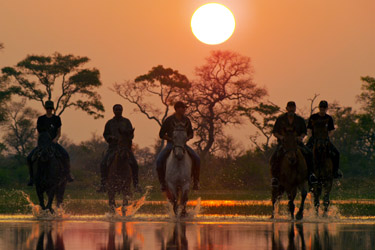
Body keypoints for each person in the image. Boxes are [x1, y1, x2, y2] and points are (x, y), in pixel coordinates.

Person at [156, 101, 201, 191]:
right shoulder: (169, 120)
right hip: (171, 144)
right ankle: (162, 183)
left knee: (197, 158)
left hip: (183, 144)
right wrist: (171, 139)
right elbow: (161, 134)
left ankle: (196, 181)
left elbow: (191, 133)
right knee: (159, 160)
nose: (184, 109)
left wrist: (187, 138)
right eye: (182, 108)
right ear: (177, 109)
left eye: (184, 108)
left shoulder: (186, 120)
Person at [270, 101, 316, 187]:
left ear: (295, 109)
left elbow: (304, 132)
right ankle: (275, 178)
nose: (291, 109)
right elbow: (275, 132)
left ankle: (311, 175)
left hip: (297, 143)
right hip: (284, 144)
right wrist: (281, 137)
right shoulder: (280, 119)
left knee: (309, 154)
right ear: (286, 108)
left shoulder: (300, 120)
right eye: (289, 107)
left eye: (293, 107)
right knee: (274, 157)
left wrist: (300, 137)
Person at [26, 100, 73, 186]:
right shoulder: (41, 119)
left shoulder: (56, 119)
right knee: (29, 157)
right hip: (43, 144)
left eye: (50, 108)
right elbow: (39, 133)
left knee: (66, 155)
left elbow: (59, 133)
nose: (49, 110)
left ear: (52, 109)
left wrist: (56, 139)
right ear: (45, 108)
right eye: (47, 108)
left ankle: (68, 175)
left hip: (53, 143)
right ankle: (32, 177)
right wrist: (40, 142)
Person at [98, 104, 141, 192]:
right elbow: (105, 134)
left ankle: (136, 185)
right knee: (103, 163)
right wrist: (110, 138)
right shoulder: (109, 123)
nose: (118, 111)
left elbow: (131, 135)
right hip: (113, 148)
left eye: (119, 109)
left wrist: (126, 137)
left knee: (135, 164)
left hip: (125, 148)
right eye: (116, 110)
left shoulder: (127, 122)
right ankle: (103, 184)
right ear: (113, 111)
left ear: (122, 110)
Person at [306, 100, 342, 179]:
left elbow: (332, 130)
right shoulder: (313, 117)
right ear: (319, 107)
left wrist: (328, 136)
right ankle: (307, 172)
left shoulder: (329, 118)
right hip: (314, 138)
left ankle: (336, 171)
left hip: (325, 139)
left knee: (336, 153)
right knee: (305, 152)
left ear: (326, 108)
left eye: (324, 107)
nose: (322, 109)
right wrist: (310, 135)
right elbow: (309, 128)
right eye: (321, 107)